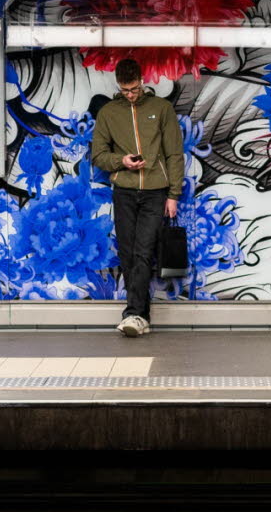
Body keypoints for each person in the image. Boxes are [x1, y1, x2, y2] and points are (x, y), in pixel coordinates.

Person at [90, 59, 184, 338]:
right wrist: (122, 161)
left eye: (134, 89)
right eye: (125, 90)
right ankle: (141, 316)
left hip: (156, 192)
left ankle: (132, 314)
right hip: (125, 191)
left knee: (144, 251)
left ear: (142, 81)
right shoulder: (108, 113)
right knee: (128, 254)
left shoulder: (162, 109)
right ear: (118, 85)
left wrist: (174, 194)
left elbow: (174, 154)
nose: (130, 94)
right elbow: (98, 155)